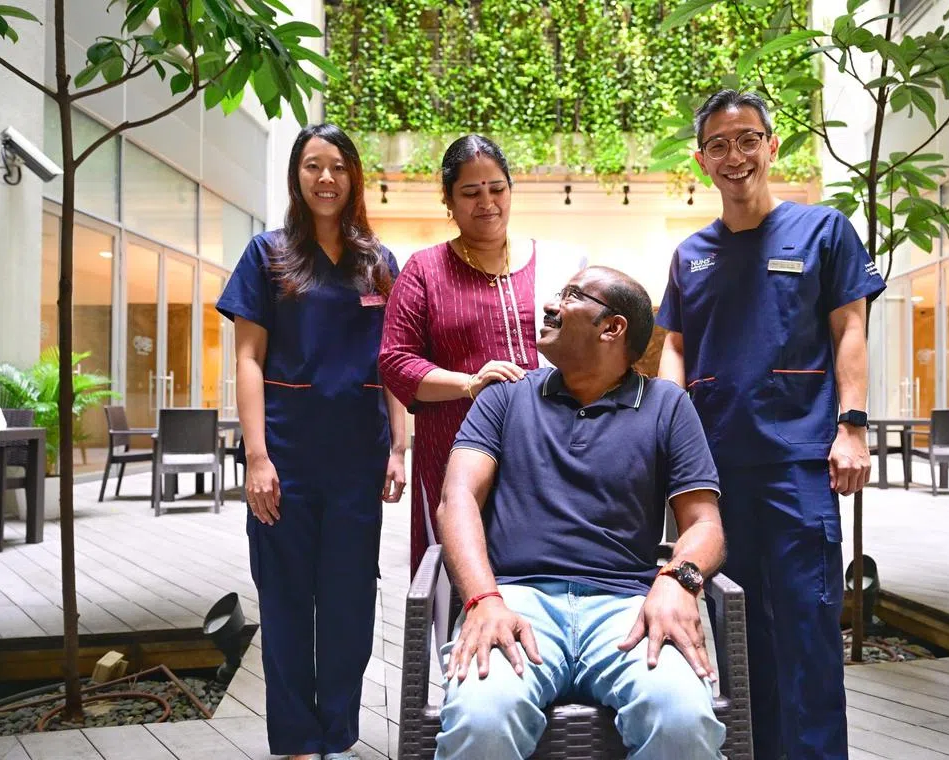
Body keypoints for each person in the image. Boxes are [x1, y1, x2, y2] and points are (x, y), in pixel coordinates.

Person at [656, 89, 886, 760]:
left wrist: (852, 426)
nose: (735, 155)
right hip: (712, 477)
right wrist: (667, 434)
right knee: (735, 633)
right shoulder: (690, 254)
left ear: (772, 146)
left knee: (807, 633)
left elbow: (850, 331)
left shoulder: (825, 232)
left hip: (796, 467)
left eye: (748, 139)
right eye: (720, 145)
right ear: (702, 160)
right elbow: (675, 345)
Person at [434, 266, 728, 760]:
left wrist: (678, 581)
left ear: (612, 328)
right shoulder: (505, 395)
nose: (550, 304)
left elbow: (704, 525)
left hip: (625, 611)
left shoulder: (667, 406)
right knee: (482, 718)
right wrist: (483, 599)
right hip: (516, 601)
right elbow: (456, 499)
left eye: (571, 296)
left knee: (683, 719)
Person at [216, 124, 407, 760]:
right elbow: (247, 360)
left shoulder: (379, 263)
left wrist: (398, 448)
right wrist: (258, 458)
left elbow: (394, 363)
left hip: (357, 460)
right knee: (290, 602)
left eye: (338, 167)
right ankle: (298, 742)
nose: (326, 179)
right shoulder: (267, 256)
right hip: (288, 461)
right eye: (312, 166)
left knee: (351, 606)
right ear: (296, 177)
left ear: (354, 177)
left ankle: (337, 734)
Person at [379, 134, 584, 644]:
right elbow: (395, 362)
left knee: (543, 585)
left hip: (546, 459)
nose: (486, 202)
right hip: (452, 456)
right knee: (459, 586)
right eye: (470, 192)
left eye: (496, 188)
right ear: (448, 201)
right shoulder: (424, 271)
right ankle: (462, 694)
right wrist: (470, 383)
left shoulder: (555, 265)